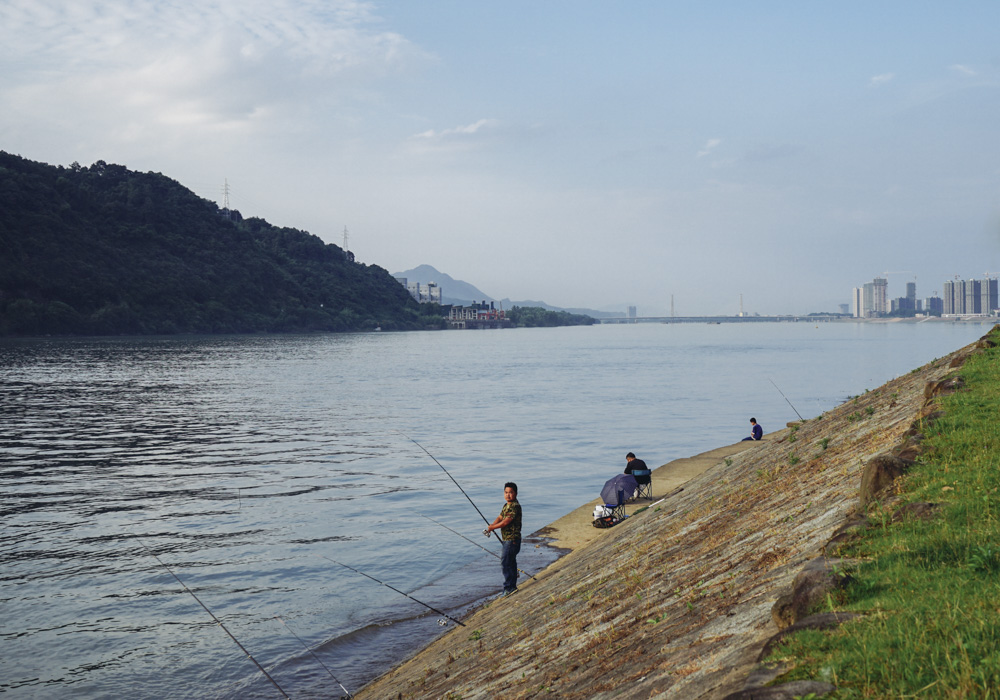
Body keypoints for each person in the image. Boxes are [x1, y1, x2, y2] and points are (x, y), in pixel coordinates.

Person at [485, 482, 522, 597]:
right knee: (510, 562)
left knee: (505, 562)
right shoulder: (506, 506)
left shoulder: (514, 506)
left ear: (516, 493)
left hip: (512, 540)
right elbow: (500, 517)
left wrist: (493, 527)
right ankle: (512, 586)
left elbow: (506, 521)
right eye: (506, 492)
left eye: (511, 492)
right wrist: (491, 526)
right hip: (508, 540)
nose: (508, 495)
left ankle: (509, 587)